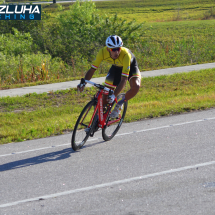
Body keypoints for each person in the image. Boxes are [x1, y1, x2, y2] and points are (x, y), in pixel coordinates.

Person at [77, 35, 141, 118]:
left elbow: (124, 79)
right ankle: (95, 122)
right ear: (108, 49)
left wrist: (114, 95)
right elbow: (92, 69)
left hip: (131, 67)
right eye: (113, 50)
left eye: (118, 49)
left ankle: (119, 104)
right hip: (116, 68)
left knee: (136, 87)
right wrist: (83, 83)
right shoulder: (102, 52)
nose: (116, 52)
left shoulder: (125, 55)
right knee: (105, 96)